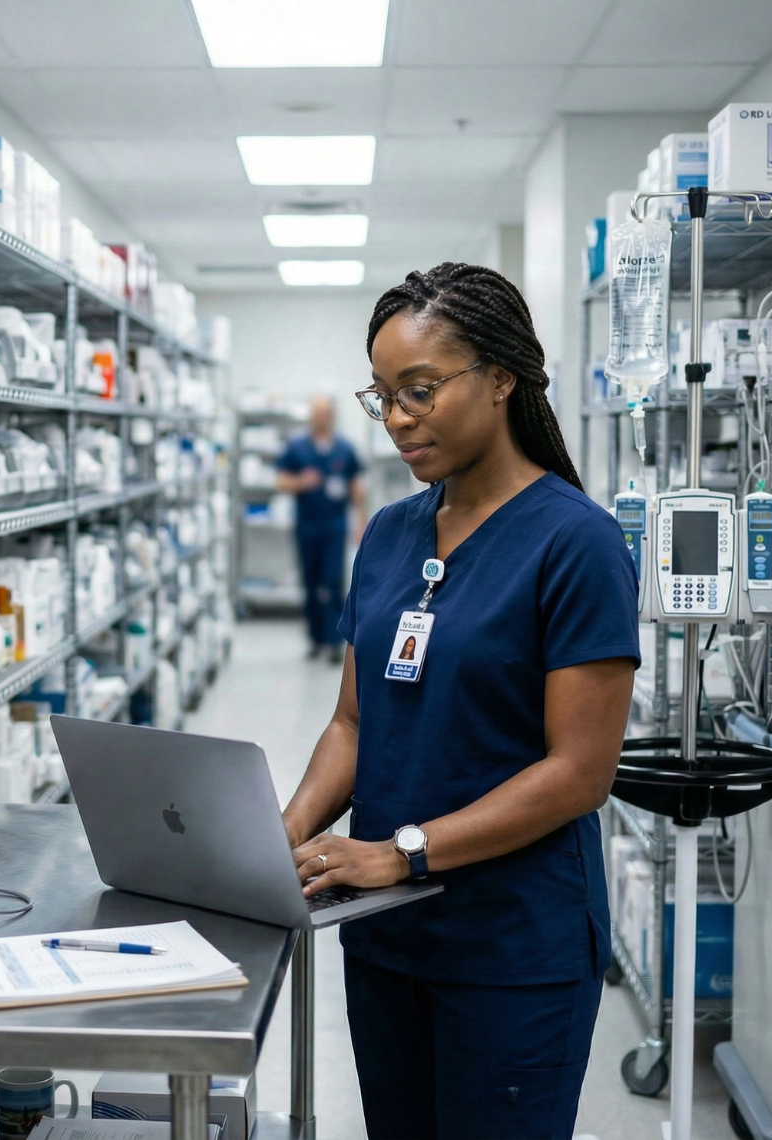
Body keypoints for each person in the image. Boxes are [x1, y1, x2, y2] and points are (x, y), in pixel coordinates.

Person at [280, 263, 639, 1140]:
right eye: (383, 396)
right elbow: (353, 722)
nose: (399, 417)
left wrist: (401, 852)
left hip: (513, 949)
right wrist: (274, 841)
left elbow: (579, 773)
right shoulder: (391, 533)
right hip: (387, 941)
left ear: (503, 378)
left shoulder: (574, 542)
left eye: (421, 390)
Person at [275, 395, 366, 664]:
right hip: (307, 527)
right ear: (311, 415)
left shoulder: (344, 448)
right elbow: (281, 482)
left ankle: (336, 641)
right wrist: (302, 482)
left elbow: (356, 490)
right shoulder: (297, 447)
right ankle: (316, 639)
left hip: (334, 528)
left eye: (327, 412)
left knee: (333, 581)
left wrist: (360, 523)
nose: (322, 416)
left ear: (333, 415)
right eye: (318, 412)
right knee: (311, 583)